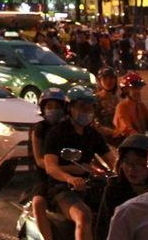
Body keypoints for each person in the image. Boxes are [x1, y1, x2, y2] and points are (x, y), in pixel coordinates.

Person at [43, 86, 115, 240]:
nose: (87, 111)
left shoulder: (92, 133)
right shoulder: (57, 133)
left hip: (92, 186)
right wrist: (69, 178)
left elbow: (110, 158)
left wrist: (123, 169)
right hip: (63, 188)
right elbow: (50, 167)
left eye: (90, 107)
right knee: (83, 215)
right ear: (70, 107)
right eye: (82, 106)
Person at [93, 135, 148, 240]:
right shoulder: (115, 190)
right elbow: (103, 230)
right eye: (127, 162)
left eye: (139, 164)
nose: (131, 169)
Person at [29, 88, 67, 240]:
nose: (53, 110)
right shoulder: (39, 129)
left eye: (57, 107)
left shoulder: (68, 128)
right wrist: (61, 170)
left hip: (70, 174)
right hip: (45, 176)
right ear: (43, 109)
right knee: (38, 203)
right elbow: (39, 160)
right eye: (49, 107)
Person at [111, 72, 148, 143]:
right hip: (126, 145)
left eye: (139, 88)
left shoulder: (140, 106)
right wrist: (142, 139)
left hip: (138, 143)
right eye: (134, 88)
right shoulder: (122, 107)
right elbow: (126, 129)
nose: (138, 91)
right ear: (125, 90)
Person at [93, 68, 119, 140]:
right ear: (100, 81)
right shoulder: (96, 98)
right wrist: (111, 132)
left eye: (111, 78)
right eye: (104, 79)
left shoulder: (116, 99)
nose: (108, 82)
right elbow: (94, 123)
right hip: (101, 136)